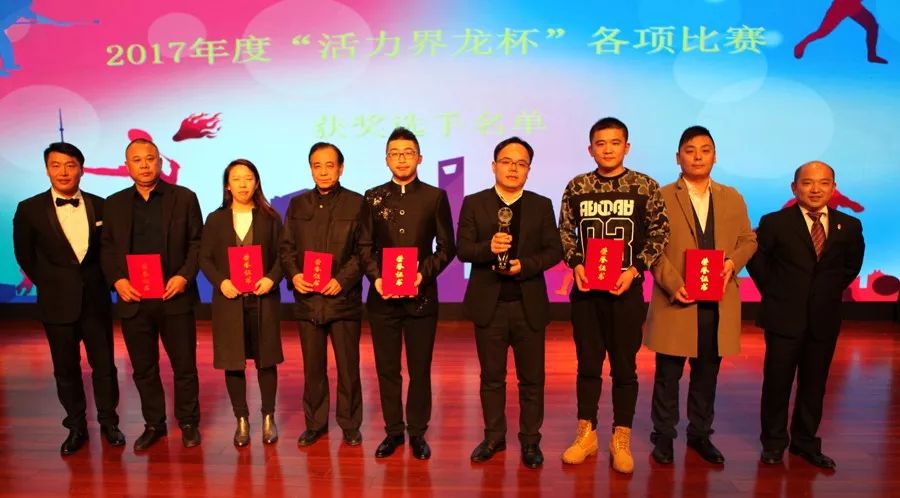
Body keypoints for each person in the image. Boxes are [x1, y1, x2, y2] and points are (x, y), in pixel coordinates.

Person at [558, 117, 669, 473]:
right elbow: (565, 232)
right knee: (588, 365)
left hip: (626, 292)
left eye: (615, 142)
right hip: (587, 293)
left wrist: (634, 269)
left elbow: (659, 234)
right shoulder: (578, 187)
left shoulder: (645, 187)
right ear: (590, 149)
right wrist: (576, 263)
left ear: (627, 147)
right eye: (600, 143)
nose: (607, 149)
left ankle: (621, 438)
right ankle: (586, 433)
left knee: (624, 368)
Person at [643, 126, 757, 465]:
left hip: (718, 300)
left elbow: (748, 240)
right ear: (678, 157)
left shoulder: (732, 197)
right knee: (668, 374)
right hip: (676, 298)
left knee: (707, 374)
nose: (697, 156)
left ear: (715, 157)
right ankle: (664, 435)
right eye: (690, 150)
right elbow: (651, 247)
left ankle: (700, 434)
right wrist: (671, 282)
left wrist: (732, 264)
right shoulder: (661, 196)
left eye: (705, 150)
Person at [748, 161, 864, 470]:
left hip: (824, 318)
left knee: (814, 384)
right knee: (777, 383)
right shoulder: (774, 222)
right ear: (794, 187)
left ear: (833, 188)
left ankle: (805, 442)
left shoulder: (849, 226)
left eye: (823, 183)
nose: (815, 189)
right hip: (783, 316)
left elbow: (851, 266)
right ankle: (773, 443)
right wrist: (775, 291)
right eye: (808, 182)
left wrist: (825, 293)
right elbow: (757, 261)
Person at [457, 137, 562, 469]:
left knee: (532, 379)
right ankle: (493, 437)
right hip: (489, 306)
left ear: (529, 170)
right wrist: (488, 248)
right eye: (506, 161)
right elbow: (463, 249)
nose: (513, 168)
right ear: (494, 166)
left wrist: (524, 266)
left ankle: (530, 441)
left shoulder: (541, 205)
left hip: (528, 305)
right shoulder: (475, 203)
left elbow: (554, 250)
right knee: (492, 378)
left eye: (521, 163)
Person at [12, 142, 123, 455]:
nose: (63, 172)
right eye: (56, 165)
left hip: (96, 301)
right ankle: (76, 426)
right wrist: (53, 285)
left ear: (81, 169)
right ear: (47, 169)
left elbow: (109, 252)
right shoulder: (29, 209)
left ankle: (109, 422)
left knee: (105, 366)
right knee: (65, 369)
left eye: (70, 165)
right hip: (56, 302)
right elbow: (25, 256)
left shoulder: (102, 206)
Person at [100, 138, 203, 451]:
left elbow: (197, 243)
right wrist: (117, 280)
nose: (144, 165)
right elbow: (106, 248)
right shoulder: (114, 203)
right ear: (127, 166)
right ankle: (154, 424)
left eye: (150, 158)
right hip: (134, 299)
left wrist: (184, 277)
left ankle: (188, 422)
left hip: (174, 296)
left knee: (184, 366)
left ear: (160, 162)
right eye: (137, 159)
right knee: (144, 368)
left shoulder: (184, 198)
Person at [363, 127, 456, 460]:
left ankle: (417, 432)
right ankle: (393, 431)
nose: (401, 159)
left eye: (408, 153)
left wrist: (421, 274)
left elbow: (446, 247)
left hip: (421, 297)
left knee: (420, 368)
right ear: (386, 159)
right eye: (395, 153)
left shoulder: (434, 197)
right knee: (387, 369)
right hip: (383, 300)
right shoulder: (373, 197)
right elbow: (364, 246)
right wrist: (376, 278)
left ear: (420, 158)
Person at [279, 143, 369, 448]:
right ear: (310, 169)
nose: (324, 172)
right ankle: (315, 424)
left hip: (343, 300)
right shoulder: (297, 204)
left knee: (348, 368)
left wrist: (342, 281)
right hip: (308, 301)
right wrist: (295, 275)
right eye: (317, 166)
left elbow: (364, 251)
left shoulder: (357, 204)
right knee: (313, 368)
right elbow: (286, 248)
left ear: (341, 168)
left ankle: (350, 424)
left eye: (330, 165)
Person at [199, 159, 284, 447]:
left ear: (256, 182)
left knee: (266, 359)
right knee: (233, 361)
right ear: (227, 185)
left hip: (263, 299)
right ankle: (242, 419)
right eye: (236, 179)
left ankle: (269, 417)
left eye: (248, 178)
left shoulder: (270, 218)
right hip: (229, 300)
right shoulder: (216, 219)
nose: (243, 184)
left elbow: (284, 255)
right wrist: (221, 282)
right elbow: (204, 258)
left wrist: (272, 279)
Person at [794, 0, 888, 64]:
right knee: (822, 32)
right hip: (841, 5)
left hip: (854, 6)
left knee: (872, 26)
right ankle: (801, 44)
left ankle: (872, 55)